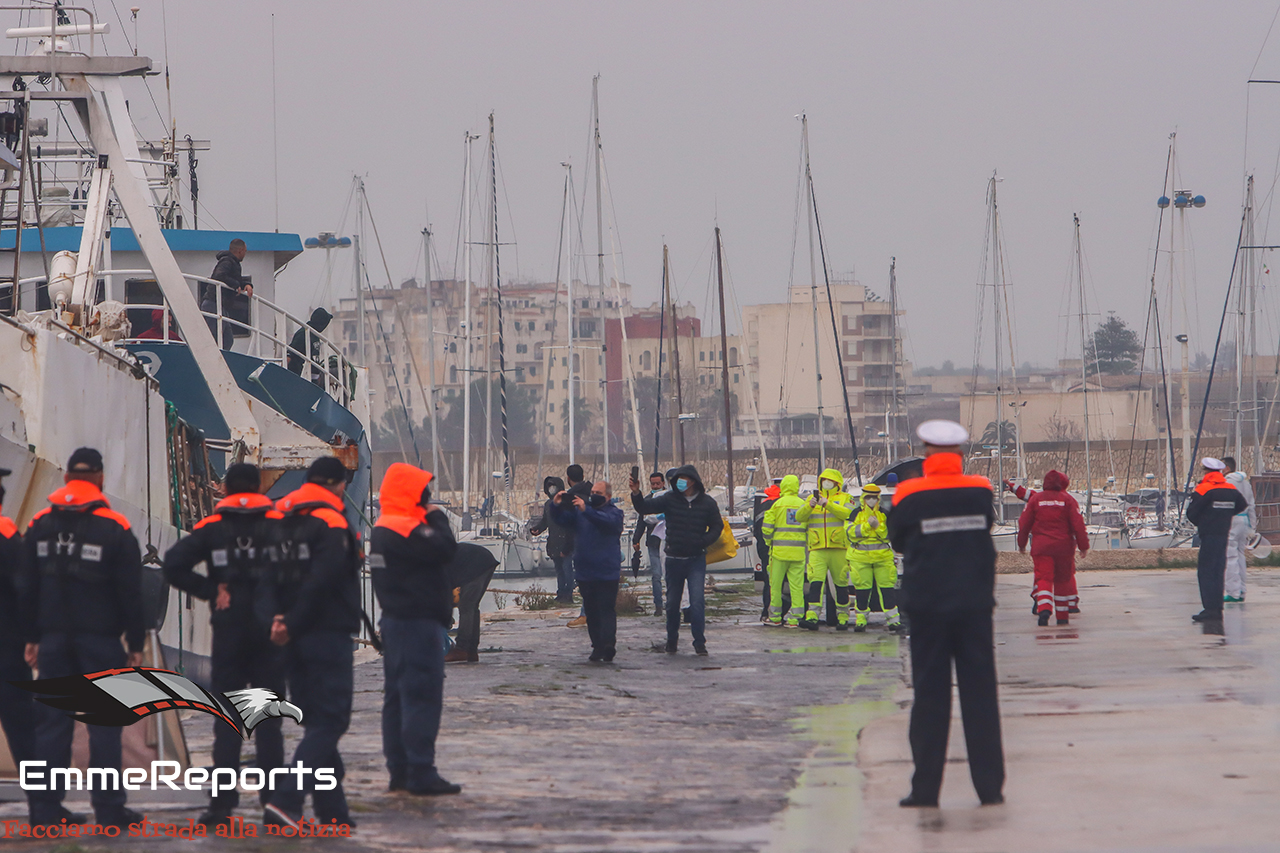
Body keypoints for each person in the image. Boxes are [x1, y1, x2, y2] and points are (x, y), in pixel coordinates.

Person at [24, 448, 145, 829]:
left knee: (51, 726)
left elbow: (26, 587)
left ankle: (44, 812)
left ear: (65, 480)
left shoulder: (39, 525)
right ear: (100, 478)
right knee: (105, 727)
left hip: (54, 641)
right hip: (101, 642)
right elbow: (131, 592)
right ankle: (108, 810)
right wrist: (137, 642)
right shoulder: (116, 528)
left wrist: (32, 638)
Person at [887, 420, 1004, 808]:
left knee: (930, 698)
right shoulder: (979, 490)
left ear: (925, 452)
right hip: (974, 605)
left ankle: (925, 790)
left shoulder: (908, 492)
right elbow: (986, 526)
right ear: (960, 454)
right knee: (981, 696)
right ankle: (989, 789)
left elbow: (898, 539)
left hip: (928, 606)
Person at [162, 464, 285, 827]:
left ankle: (221, 807)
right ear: (259, 487)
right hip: (268, 635)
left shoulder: (211, 529)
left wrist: (211, 591)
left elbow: (173, 565)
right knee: (269, 722)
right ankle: (274, 804)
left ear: (227, 489)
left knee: (227, 722)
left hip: (229, 634)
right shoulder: (280, 527)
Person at [262, 456, 362, 829]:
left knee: (317, 721)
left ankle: (333, 811)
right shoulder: (333, 522)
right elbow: (323, 581)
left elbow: (265, 577)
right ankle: (287, 800)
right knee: (331, 720)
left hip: (288, 635)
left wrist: (277, 620)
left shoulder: (276, 518)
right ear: (337, 484)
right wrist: (292, 620)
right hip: (326, 632)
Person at [367, 462, 462, 796]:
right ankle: (421, 771)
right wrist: (436, 517)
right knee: (421, 696)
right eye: (424, 489)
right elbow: (446, 548)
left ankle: (400, 771)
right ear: (411, 492)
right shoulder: (405, 527)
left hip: (395, 622)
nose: (428, 495)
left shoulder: (383, 526)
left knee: (396, 699)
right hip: (416, 624)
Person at [630, 465, 722, 656]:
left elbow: (717, 526)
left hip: (696, 559)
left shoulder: (707, 503)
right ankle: (672, 641)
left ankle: (699, 642)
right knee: (672, 604)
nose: (679, 482)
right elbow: (644, 508)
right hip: (673, 559)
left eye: (683, 478)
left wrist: (703, 541)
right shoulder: (670, 500)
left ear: (693, 481)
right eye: (677, 479)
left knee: (696, 602)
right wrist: (637, 492)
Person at [0, 467, 45, 828]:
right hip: (7, 652)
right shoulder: (8, 538)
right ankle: (43, 809)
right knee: (24, 733)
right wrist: (34, 638)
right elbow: (25, 592)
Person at [552, 481, 624, 662]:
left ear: (607, 496)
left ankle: (608, 644)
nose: (593, 495)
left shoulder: (615, 513)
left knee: (606, 608)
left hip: (607, 570)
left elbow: (608, 523)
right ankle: (597, 646)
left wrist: (587, 511)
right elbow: (562, 520)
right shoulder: (580, 513)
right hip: (585, 571)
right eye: (592, 492)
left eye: (597, 492)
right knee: (591, 611)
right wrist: (556, 506)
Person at [1015, 470, 1089, 627]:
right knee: (1063, 579)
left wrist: (1021, 544)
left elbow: (1024, 523)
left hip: (1041, 547)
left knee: (1044, 578)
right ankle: (1062, 616)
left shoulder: (1036, 499)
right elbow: (1078, 525)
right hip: (1064, 548)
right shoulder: (1068, 500)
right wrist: (1083, 546)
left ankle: (1044, 609)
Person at [1186, 457, 1248, 624]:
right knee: (1219, 571)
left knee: (1206, 572)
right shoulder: (1230, 489)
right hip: (1223, 533)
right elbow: (1242, 505)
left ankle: (1209, 609)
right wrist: (1224, 516)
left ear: (1206, 471)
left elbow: (1191, 513)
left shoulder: (1203, 489)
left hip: (1208, 535)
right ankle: (1218, 608)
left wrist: (1206, 520)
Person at [796, 468, 854, 631]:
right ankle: (812, 616)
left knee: (841, 584)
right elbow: (799, 516)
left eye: (829, 480)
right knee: (815, 583)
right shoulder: (811, 499)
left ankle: (843, 617)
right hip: (817, 548)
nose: (826, 483)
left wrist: (827, 504)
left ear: (837, 483)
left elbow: (848, 514)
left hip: (838, 548)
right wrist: (810, 505)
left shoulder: (846, 498)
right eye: (823, 480)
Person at [847, 483, 902, 632]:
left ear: (878, 498)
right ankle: (861, 621)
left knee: (887, 589)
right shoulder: (855, 514)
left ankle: (893, 621)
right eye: (868, 497)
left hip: (882, 558)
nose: (871, 500)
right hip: (861, 558)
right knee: (862, 591)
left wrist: (878, 526)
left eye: (874, 497)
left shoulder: (885, 514)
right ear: (863, 498)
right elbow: (849, 533)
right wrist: (866, 527)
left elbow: (890, 534)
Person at [761, 475, 806, 628]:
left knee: (775, 586)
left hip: (779, 553)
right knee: (797, 587)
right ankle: (795, 618)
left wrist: (769, 542)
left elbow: (766, 529)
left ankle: (775, 617)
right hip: (798, 553)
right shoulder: (803, 504)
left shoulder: (777, 505)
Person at [444, 542, 499, 663]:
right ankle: (471, 651)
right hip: (483, 560)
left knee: (466, 606)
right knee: (472, 606)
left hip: (476, 564)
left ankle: (461, 649)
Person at [529, 476, 574, 603]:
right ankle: (561, 593)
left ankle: (568, 594)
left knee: (567, 569)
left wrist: (569, 544)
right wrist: (537, 529)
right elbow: (545, 521)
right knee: (559, 570)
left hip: (566, 542)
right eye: (549, 487)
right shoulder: (548, 504)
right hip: (554, 542)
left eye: (553, 486)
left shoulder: (567, 503)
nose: (551, 489)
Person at [632, 471, 669, 617]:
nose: (655, 486)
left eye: (658, 484)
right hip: (653, 542)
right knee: (656, 574)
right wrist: (636, 539)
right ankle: (658, 605)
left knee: (670, 575)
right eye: (653, 484)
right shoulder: (647, 501)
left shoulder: (669, 499)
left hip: (668, 542)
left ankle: (672, 602)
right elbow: (641, 522)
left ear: (663, 483)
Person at [204, 239, 252, 349]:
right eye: (245, 250)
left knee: (227, 339)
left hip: (221, 305)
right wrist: (235, 284)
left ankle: (220, 363)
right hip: (213, 303)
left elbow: (236, 279)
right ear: (240, 250)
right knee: (213, 338)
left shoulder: (233, 263)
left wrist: (247, 284)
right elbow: (219, 275)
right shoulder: (227, 261)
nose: (245, 253)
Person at [562, 464, 593, 628]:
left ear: (568, 478)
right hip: (594, 540)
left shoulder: (570, 497)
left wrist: (566, 548)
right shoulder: (593, 492)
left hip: (579, 543)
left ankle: (585, 614)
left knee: (582, 580)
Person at [1222, 457, 1256, 603]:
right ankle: (1242, 590)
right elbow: (1251, 505)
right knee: (1240, 555)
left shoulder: (1227, 481)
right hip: (1244, 520)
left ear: (1227, 468)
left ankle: (1233, 592)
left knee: (1230, 557)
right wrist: (1252, 527)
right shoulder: (1245, 482)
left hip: (1232, 519)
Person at [753, 480, 783, 620]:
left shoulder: (762, 505)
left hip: (765, 548)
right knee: (792, 583)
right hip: (785, 548)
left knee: (769, 582)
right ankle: (794, 614)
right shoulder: (782, 504)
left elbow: (758, 530)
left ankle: (767, 612)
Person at [287, 307, 334, 376]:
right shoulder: (303, 333)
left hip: (312, 376)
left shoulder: (315, 335)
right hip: (294, 373)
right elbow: (290, 354)